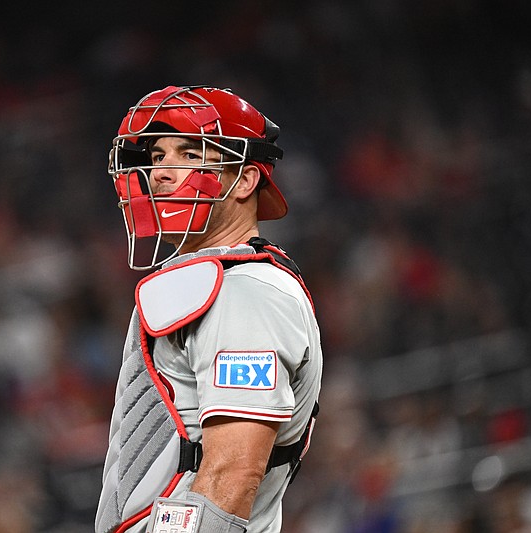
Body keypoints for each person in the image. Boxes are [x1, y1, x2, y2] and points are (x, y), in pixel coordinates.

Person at [95, 85, 323, 533]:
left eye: (188, 154)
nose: (160, 172)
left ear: (244, 179)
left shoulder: (248, 293)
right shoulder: (211, 283)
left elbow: (232, 475)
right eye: (157, 157)